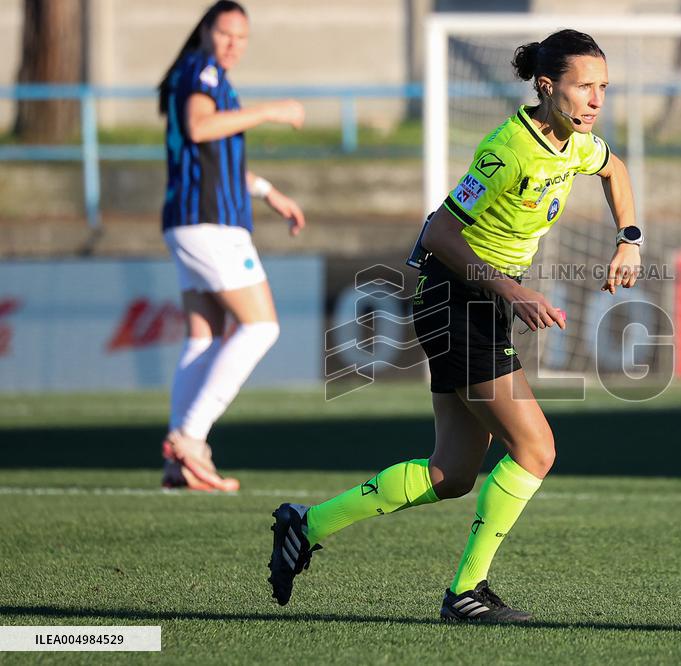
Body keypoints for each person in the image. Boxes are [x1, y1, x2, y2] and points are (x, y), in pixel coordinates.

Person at [268, 29, 643, 623]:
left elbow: (613, 168)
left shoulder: (575, 141)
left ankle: (305, 524)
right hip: (454, 300)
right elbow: (439, 233)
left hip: (477, 303)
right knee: (536, 449)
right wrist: (511, 289)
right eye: (584, 87)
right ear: (547, 87)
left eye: (603, 88)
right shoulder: (507, 151)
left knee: (452, 473)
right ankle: (466, 591)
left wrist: (628, 239)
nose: (596, 100)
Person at [157, 1, 306, 491]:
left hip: (187, 220)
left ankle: (179, 465)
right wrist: (269, 111)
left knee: (203, 337)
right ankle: (190, 438)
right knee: (261, 327)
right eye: (225, 34)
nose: (233, 45)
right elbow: (201, 127)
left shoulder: (199, 74)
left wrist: (267, 192)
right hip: (210, 223)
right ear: (207, 31)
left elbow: (214, 159)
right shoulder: (203, 72)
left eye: (241, 37)